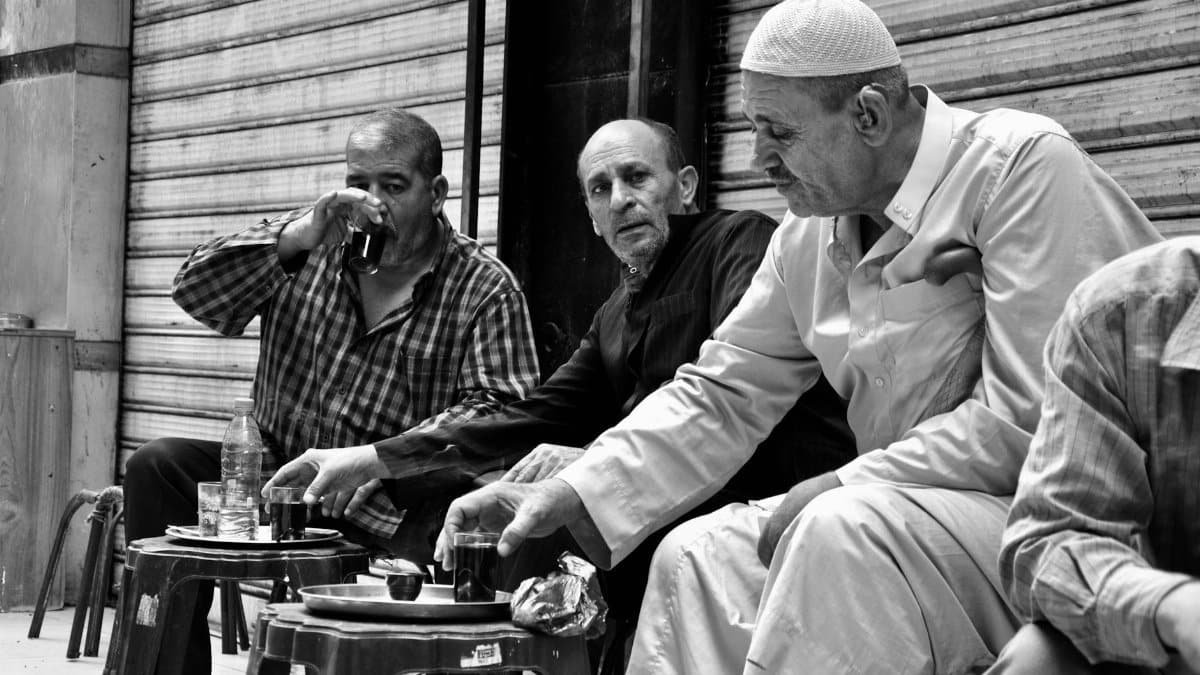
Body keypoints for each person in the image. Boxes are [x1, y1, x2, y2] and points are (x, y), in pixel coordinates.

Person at [432, 0, 1163, 672]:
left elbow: (1030, 420)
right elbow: (722, 390)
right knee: (698, 554)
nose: (758, 159)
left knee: (837, 527)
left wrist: (839, 482)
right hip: (912, 514)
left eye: (779, 132)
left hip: (1065, 527)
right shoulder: (808, 234)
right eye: (753, 130)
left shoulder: (1019, 168)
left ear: (869, 114)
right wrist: (570, 489)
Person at [262, 118, 855, 654]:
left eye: (637, 178)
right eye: (601, 189)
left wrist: (591, 460)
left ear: (687, 187)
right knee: (493, 525)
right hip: (653, 516)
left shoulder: (738, 242)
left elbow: (728, 396)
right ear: (590, 217)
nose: (621, 201)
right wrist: (371, 459)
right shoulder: (616, 315)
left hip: (772, 506)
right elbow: (530, 417)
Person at [122, 107, 539, 674]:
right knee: (158, 465)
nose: (373, 204)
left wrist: (377, 464)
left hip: (395, 501)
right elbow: (195, 293)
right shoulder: (311, 246)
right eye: (358, 184)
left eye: (392, 187)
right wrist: (292, 237)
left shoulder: (484, 286)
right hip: (283, 478)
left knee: (464, 531)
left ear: (436, 192)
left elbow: (500, 414)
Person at [988, 238, 1200, 675]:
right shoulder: (1118, 316)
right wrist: (1172, 608)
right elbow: (1049, 542)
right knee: (1042, 660)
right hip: (1179, 643)